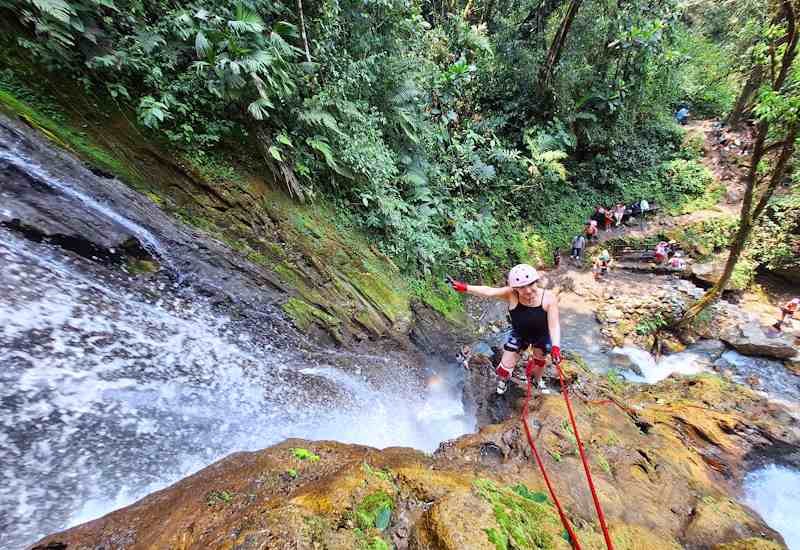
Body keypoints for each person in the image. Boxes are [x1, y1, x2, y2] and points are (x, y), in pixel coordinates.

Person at [449, 264, 562, 395]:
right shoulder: (511, 294)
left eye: (531, 285)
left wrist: (556, 347)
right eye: (522, 288)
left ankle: (537, 380)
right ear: (515, 288)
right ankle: (504, 380)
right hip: (520, 334)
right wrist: (464, 287)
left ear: (536, 281)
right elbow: (489, 292)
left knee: (540, 361)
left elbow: (554, 325)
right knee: (504, 368)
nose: (528, 291)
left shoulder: (548, 298)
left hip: (541, 335)